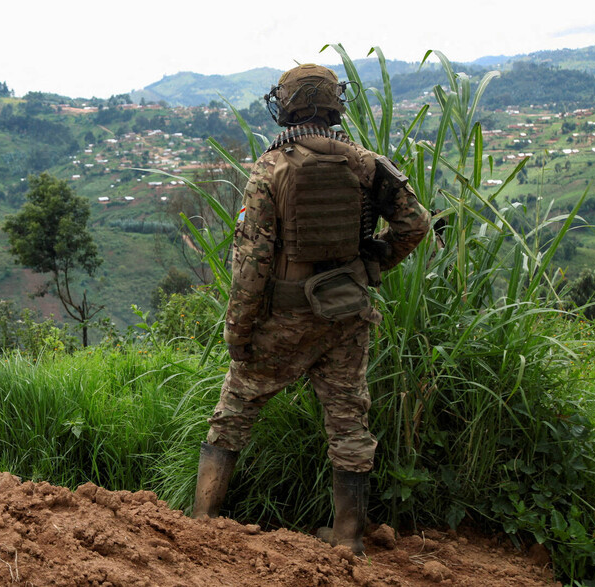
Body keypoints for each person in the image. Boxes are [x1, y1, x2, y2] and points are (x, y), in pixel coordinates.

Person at [191, 64, 431, 555]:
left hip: (283, 317)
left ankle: (202, 521)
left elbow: (252, 262)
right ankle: (348, 539)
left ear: (286, 106)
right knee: (348, 422)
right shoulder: (365, 163)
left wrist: (238, 331)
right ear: (333, 104)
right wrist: (374, 259)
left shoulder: (270, 168)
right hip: (345, 314)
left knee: (235, 410)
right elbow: (415, 224)